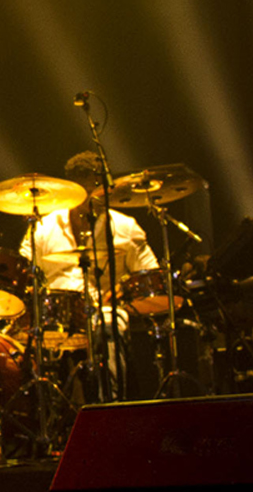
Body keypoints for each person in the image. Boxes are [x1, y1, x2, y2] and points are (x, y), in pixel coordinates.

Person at [20, 152, 158, 396]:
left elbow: (148, 277)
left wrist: (122, 290)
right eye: (86, 189)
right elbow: (24, 272)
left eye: (98, 188)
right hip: (57, 315)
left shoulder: (125, 227)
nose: (94, 197)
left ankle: (110, 405)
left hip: (105, 310)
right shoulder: (43, 227)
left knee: (107, 326)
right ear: (72, 189)